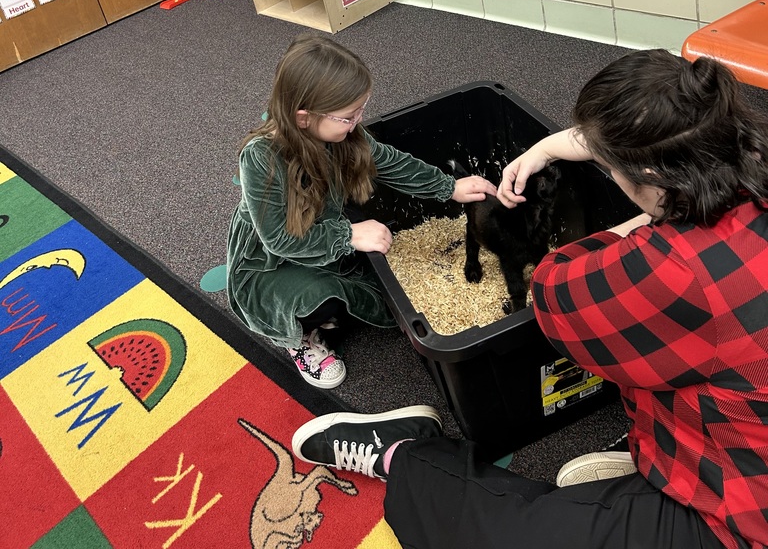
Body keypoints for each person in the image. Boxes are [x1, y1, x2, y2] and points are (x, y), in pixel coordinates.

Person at [291, 49, 768, 549]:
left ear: (648, 179)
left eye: (607, 162)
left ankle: (405, 455)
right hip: (740, 439)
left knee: (495, 534)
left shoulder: (669, 270)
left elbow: (552, 288)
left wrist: (638, 224)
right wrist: (564, 145)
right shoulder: (747, 164)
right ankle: (650, 463)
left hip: (739, 512)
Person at [227, 34, 495, 390]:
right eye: (348, 116)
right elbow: (279, 239)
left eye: (360, 111)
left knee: (389, 299)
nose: (358, 121)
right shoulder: (261, 158)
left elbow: (391, 163)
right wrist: (348, 234)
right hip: (271, 263)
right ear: (304, 118)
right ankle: (299, 338)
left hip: (322, 241)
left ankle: (333, 297)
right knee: (318, 300)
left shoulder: (343, 136)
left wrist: (449, 187)